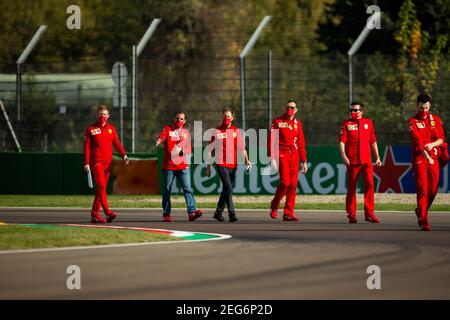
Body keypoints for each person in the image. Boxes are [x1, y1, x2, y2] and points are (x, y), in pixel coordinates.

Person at [84, 105, 129, 223]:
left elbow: (117, 144)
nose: (102, 116)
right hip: (96, 163)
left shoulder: (111, 129)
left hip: (108, 164)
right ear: (97, 115)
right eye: (100, 114)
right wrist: (86, 163)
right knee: (102, 187)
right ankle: (108, 212)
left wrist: (124, 154)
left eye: (104, 114)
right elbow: (87, 147)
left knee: (101, 189)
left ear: (108, 116)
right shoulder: (91, 129)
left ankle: (94, 214)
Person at [338, 102, 382, 224]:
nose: (353, 112)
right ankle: (351, 214)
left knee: (370, 185)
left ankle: (369, 213)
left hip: (367, 160)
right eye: (351, 110)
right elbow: (342, 141)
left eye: (356, 110)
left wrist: (377, 157)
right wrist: (343, 155)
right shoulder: (346, 124)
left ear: (361, 111)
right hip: (353, 161)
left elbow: (373, 141)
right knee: (352, 187)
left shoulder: (368, 123)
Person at [156, 111, 203, 222]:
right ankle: (166, 214)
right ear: (174, 119)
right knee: (167, 189)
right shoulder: (168, 129)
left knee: (187, 188)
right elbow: (163, 135)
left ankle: (192, 212)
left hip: (182, 165)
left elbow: (189, 150)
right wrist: (160, 139)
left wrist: (182, 149)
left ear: (184, 121)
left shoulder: (186, 133)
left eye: (181, 119)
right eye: (177, 118)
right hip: (169, 166)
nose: (179, 120)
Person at [205, 108, 251, 222]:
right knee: (228, 187)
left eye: (229, 116)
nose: (226, 118)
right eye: (225, 116)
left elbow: (242, 149)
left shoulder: (236, 131)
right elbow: (210, 150)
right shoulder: (216, 131)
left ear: (232, 118)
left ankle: (218, 212)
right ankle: (232, 214)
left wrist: (247, 161)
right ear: (222, 117)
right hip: (221, 163)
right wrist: (208, 167)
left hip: (233, 165)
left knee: (227, 189)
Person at [408, 94, 445, 231]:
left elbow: (441, 139)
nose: (424, 110)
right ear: (417, 105)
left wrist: (433, 145)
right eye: (422, 107)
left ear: (430, 106)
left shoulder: (435, 119)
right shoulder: (412, 121)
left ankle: (421, 211)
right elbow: (418, 142)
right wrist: (427, 155)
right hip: (420, 160)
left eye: (427, 108)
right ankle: (424, 220)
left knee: (433, 190)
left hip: (434, 159)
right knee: (422, 190)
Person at [268, 100, 308, 222]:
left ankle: (288, 213)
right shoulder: (278, 121)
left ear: (296, 110)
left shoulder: (298, 124)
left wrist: (304, 161)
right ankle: (274, 205)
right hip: (282, 153)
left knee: (293, 185)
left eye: (292, 107)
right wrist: (272, 157)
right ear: (285, 109)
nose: (290, 109)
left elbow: (301, 142)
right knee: (285, 182)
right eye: (288, 107)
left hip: (294, 155)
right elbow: (271, 139)